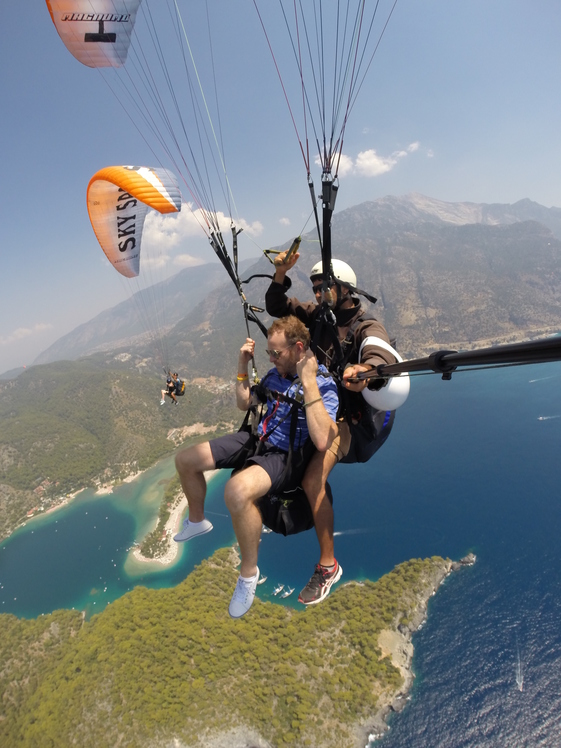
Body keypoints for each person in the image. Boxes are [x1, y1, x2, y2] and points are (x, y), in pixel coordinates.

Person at [173, 315, 339, 618]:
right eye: (268, 354)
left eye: (276, 353)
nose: (272, 359)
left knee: (236, 492)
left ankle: (248, 575)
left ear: (297, 348)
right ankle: (197, 520)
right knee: (185, 460)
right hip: (254, 438)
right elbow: (244, 403)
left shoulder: (323, 384)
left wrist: (309, 380)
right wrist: (242, 366)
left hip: (283, 455)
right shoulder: (275, 375)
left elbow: (321, 441)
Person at [265, 251, 397, 605]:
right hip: (325, 413)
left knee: (311, 479)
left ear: (344, 289)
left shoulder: (365, 327)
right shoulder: (318, 318)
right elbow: (276, 304)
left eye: (324, 287)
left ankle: (328, 565)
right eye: (315, 287)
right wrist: (280, 272)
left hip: (354, 424)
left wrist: (366, 369)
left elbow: (379, 351)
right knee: (274, 440)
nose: (318, 293)